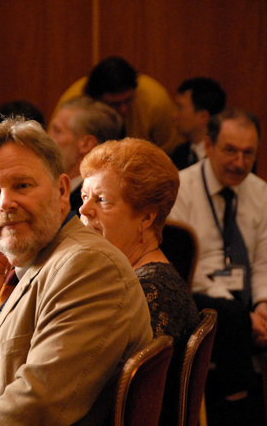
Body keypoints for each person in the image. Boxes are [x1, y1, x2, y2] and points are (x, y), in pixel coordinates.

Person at [0, 117, 152, 425]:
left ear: (63, 191)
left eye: (22, 186)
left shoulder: (89, 266)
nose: (5, 203)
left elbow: (37, 408)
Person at [168, 108, 267, 425]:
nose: (239, 163)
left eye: (248, 153)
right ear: (209, 145)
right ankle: (240, 411)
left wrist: (264, 305)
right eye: (230, 150)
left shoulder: (259, 192)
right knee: (228, 317)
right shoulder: (181, 189)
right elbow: (191, 267)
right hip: (200, 299)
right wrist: (245, 314)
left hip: (247, 301)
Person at [79, 137, 201, 424]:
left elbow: (96, 394)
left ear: (145, 218)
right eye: (84, 197)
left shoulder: (151, 292)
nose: (84, 210)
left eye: (102, 200)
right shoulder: (132, 278)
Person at [54, 56, 182, 153]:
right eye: (114, 104)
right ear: (94, 101)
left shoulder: (155, 101)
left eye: (128, 100)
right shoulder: (73, 106)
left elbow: (170, 153)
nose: (123, 109)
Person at [48, 96, 121, 214]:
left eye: (57, 131)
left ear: (86, 144)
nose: (48, 137)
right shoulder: (50, 186)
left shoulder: (90, 208)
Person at [170, 77, 227, 170]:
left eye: (180, 108)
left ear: (203, 116)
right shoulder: (178, 155)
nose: (174, 115)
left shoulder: (225, 159)